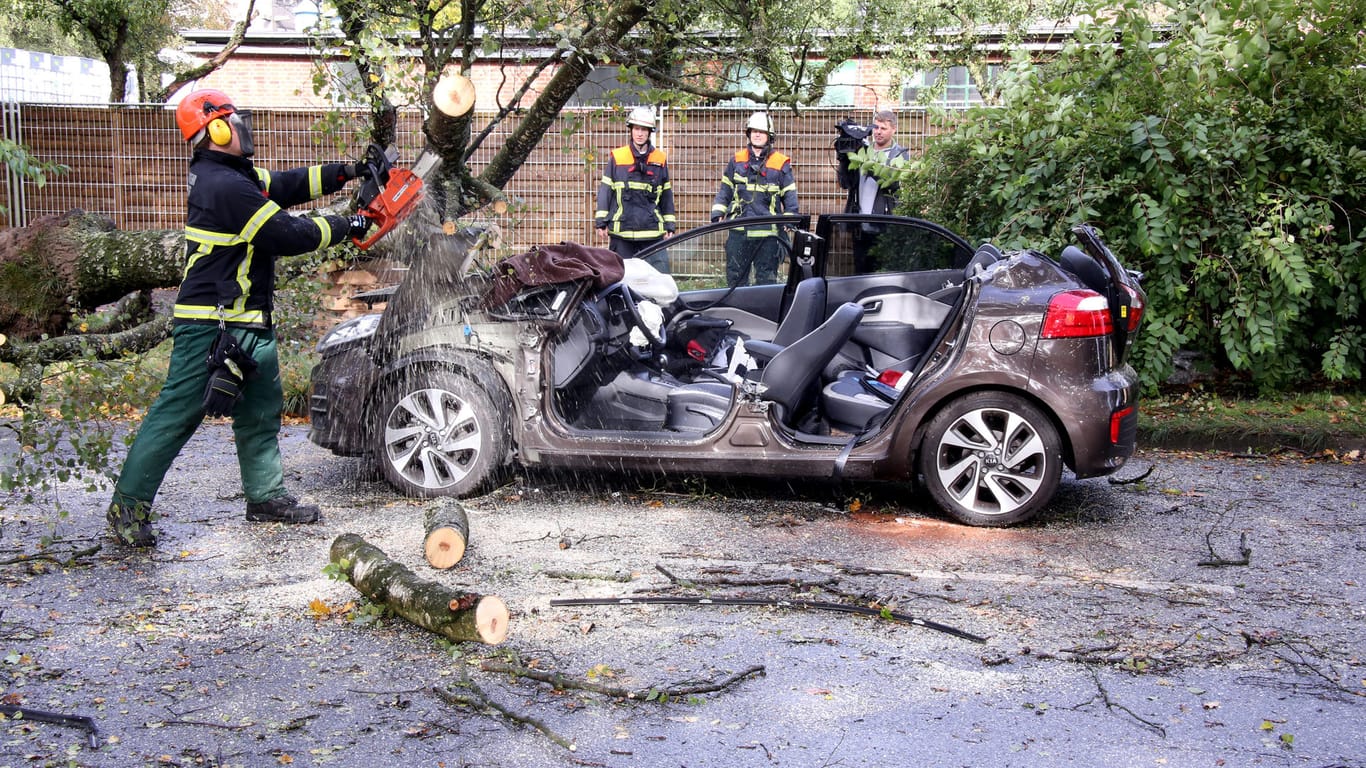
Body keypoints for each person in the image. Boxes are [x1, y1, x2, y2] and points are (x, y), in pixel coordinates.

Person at [105, 88, 372, 547]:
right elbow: (282, 233)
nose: (243, 127)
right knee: (176, 415)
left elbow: (284, 185)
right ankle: (127, 510)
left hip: (246, 319)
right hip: (211, 324)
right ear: (217, 129)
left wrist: (346, 171)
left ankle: (266, 498)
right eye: (234, 120)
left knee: (261, 411)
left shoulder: (235, 175)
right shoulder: (222, 186)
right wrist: (347, 226)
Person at [710, 111, 799, 287]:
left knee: (766, 282)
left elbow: (789, 194)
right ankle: (736, 313)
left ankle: (763, 313)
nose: (757, 134)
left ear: (769, 135)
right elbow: (725, 189)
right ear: (748, 133)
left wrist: (790, 218)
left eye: (762, 131)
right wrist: (718, 211)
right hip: (739, 231)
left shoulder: (780, 163)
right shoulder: (736, 160)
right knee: (736, 279)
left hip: (768, 234)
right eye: (754, 130)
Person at [595, 106, 676, 273]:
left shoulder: (660, 159)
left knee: (660, 281)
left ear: (650, 132)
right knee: (620, 282)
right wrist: (601, 222)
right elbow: (606, 190)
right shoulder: (618, 157)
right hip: (622, 234)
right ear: (631, 130)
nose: (640, 133)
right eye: (637, 129)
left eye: (644, 130)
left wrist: (670, 224)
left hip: (652, 234)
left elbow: (666, 194)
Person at [843, 110, 910, 273]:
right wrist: (844, 157)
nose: (878, 132)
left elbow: (893, 183)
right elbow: (846, 183)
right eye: (876, 128)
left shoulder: (900, 154)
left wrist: (869, 164)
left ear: (894, 129)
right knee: (860, 272)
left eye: (883, 128)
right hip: (860, 225)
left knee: (881, 273)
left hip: (883, 225)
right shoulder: (862, 151)